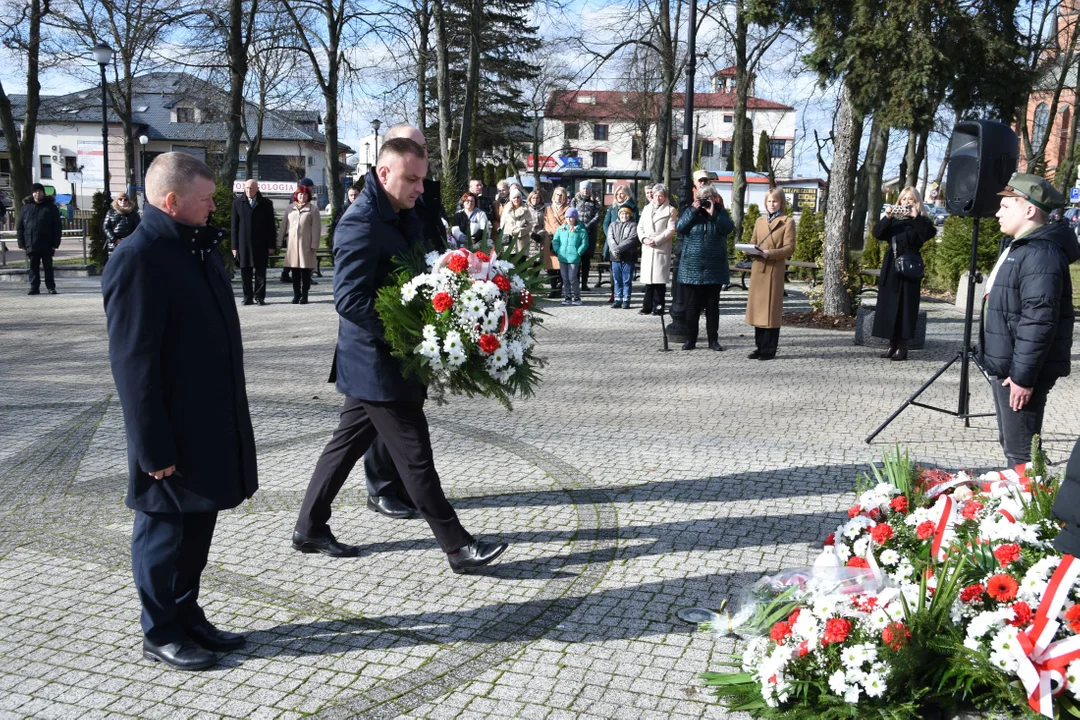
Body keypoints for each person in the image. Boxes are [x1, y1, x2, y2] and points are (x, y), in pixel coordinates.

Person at [292, 137, 508, 573]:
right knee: (414, 455)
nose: (418, 188)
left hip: (389, 360)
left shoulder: (403, 212)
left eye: (422, 179)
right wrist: (412, 336)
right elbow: (350, 301)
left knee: (346, 444)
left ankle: (309, 527)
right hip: (377, 361)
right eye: (411, 179)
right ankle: (458, 546)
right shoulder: (360, 222)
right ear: (383, 172)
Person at [101, 152, 258, 671]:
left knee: (198, 526)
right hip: (169, 432)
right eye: (206, 199)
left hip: (208, 421)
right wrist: (152, 446)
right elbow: (133, 362)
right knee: (164, 534)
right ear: (172, 201)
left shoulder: (195, 248)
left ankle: (187, 614)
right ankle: (160, 631)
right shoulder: (138, 257)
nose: (216, 207)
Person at [979, 173, 1079, 469]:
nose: (998, 212)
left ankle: (1033, 511)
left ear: (1030, 210)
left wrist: (1023, 377)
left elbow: (1039, 320)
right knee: (1015, 446)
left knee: (1021, 456)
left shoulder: (1040, 254)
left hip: (1020, 373)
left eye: (1006, 206)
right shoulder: (1022, 246)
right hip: (1009, 366)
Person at [870, 187, 936, 360]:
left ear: (917, 202)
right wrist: (888, 216)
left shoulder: (922, 220)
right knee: (889, 305)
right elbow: (877, 233)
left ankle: (903, 346)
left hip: (910, 267)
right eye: (904, 199)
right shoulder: (894, 220)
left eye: (911, 200)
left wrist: (915, 217)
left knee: (906, 307)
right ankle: (891, 344)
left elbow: (927, 234)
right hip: (892, 265)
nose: (907, 202)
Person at [677, 185, 733, 350]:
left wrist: (713, 214)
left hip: (714, 267)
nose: (705, 201)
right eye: (702, 197)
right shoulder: (691, 212)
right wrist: (693, 211)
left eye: (708, 197)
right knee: (692, 307)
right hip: (692, 267)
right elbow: (680, 227)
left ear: (715, 198)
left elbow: (728, 228)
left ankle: (713, 341)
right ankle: (691, 340)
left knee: (712, 307)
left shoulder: (720, 212)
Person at [745, 187, 797, 360]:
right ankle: (759, 347)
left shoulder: (787, 221)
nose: (772, 204)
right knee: (758, 311)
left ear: (781, 202)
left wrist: (771, 253)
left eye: (775, 201)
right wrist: (749, 250)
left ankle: (769, 349)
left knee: (771, 312)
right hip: (758, 268)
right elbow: (753, 241)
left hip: (774, 269)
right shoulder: (760, 220)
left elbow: (790, 248)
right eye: (769, 201)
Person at [231, 179, 277, 306]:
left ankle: (260, 297)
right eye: (246, 188)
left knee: (260, 271)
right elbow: (234, 226)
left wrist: (271, 245)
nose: (248, 191)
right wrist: (234, 246)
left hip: (261, 243)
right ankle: (247, 297)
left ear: (257, 189)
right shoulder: (237, 203)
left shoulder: (266, 203)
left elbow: (271, 226)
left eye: (251, 188)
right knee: (245, 271)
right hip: (243, 244)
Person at [277, 186, 321, 304]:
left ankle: (305, 295)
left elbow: (316, 228)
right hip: (292, 245)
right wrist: (279, 241)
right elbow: (283, 226)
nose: (302, 196)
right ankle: (296, 295)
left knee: (306, 271)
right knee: (295, 271)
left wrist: (315, 244)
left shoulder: (313, 209)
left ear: (308, 196)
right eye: (300, 194)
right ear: (296, 195)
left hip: (306, 245)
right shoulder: (290, 208)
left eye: (305, 194)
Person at [637, 184, 676, 315]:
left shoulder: (670, 210)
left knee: (659, 280)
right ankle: (646, 306)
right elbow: (640, 227)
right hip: (648, 247)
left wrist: (657, 240)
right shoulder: (647, 209)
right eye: (655, 195)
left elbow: (671, 229)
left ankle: (659, 306)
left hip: (661, 247)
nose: (658, 198)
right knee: (648, 280)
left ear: (665, 196)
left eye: (660, 195)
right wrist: (644, 239)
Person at [17, 183, 62, 295]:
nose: (37, 193)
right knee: (33, 267)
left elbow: (57, 226)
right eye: (35, 191)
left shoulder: (51, 207)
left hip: (47, 242)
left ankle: (51, 287)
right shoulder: (26, 207)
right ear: (32, 193)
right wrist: (21, 242)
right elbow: (20, 226)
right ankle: (34, 287)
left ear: (43, 193)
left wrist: (55, 243)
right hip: (31, 242)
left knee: (48, 266)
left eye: (40, 191)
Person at [552, 206, 589, 306]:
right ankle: (567, 296)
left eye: (571, 217)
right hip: (563, 257)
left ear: (575, 218)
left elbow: (585, 243)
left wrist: (578, 252)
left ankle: (577, 297)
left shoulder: (581, 230)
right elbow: (555, 240)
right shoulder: (561, 229)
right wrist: (557, 250)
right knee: (565, 277)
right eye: (567, 217)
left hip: (574, 258)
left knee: (572, 277)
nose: (569, 219)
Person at [606, 205, 638, 309]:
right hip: (615, 257)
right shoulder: (613, 225)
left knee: (626, 279)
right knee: (617, 279)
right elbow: (610, 238)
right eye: (622, 213)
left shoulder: (633, 225)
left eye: (627, 213)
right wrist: (614, 249)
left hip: (628, 256)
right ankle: (617, 299)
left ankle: (626, 300)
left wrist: (618, 249)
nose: (624, 215)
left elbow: (631, 239)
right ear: (619, 214)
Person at [572, 183, 601, 290]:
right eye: (584, 189)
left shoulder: (595, 202)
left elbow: (597, 216)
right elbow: (571, 214)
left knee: (586, 260)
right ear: (580, 189)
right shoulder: (575, 201)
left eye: (587, 189)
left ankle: (584, 283)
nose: (585, 191)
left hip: (590, 233)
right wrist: (578, 225)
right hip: (576, 233)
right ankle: (575, 282)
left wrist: (588, 226)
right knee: (576, 259)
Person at [543, 187, 569, 297]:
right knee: (551, 265)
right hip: (549, 239)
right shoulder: (548, 208)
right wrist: (550, 233)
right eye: (557, 194)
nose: (558, 197)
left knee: (561, 265)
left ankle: (559, 288)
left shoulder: (568, 208)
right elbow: (546, 222)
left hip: (562, 239)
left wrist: (558, 234)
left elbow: (567, 223)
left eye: (561, 195)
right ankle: (553, 289)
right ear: (554, 195)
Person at [498, 186, 536, 254]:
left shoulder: (526, 209)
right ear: (511, 199)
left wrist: (520, 231)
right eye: (514, 197)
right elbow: (503, 225)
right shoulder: (506, 209)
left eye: (518, 197)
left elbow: (530, 225)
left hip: (522, 242)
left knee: (521, 262)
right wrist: (513, 230)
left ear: (521, 198)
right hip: (509, 242)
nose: (516, 199)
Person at [104, 192, 142, 258]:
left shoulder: (134, 214)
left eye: (125, 199)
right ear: (117, 201)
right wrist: (115, 239)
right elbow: (106, 227)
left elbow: (138, 228)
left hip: (129, 244)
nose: (123, 201)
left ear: (128, 201)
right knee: (114, 264)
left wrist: (128, 240)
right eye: (120, 199)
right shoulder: (111, 212)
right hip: (113, 244)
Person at [527, 189, 547, 257]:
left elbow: (547, 223)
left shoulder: (545, 209)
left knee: (539, 260)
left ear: (540, 199)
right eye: (533, 198)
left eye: (537, 197)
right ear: (530, 198)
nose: (535, 199)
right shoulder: (526, 209)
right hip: (529, 237)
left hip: (541, 237)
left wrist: (541, 233)